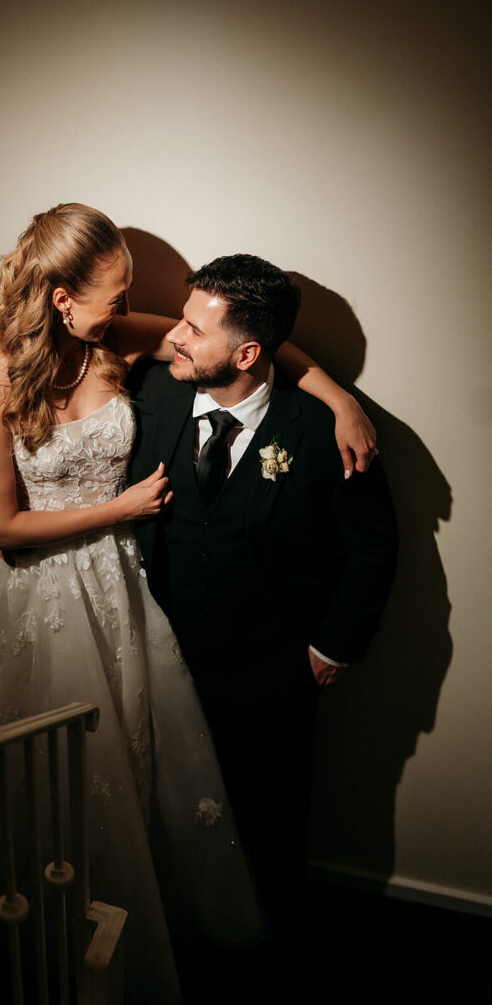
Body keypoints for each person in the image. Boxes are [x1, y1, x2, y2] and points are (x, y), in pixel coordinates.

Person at [0, 206, 381, 1002]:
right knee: (40, 773)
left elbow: (256, 340)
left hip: (123, 589)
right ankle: (33, 925)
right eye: (116, 296)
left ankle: (132, 920)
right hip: (42, 591)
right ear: (61, 300)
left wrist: (337, 399)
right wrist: (117, 510)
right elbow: (2, 529)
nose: (133, 312)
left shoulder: (113, 343)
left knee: (138, 758)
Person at [128, 253, 399, 953]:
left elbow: (372, 548)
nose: (173, 336)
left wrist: (331, 647)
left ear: (247, 354)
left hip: (271, 671)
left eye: (194, 329)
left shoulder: (324, 429)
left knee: (269, 828)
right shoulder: (151, 391)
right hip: (154, 659)